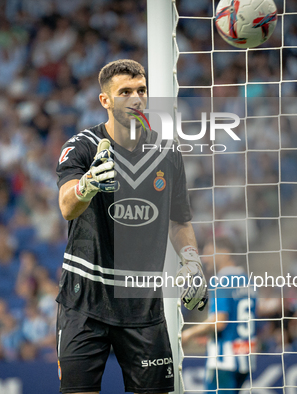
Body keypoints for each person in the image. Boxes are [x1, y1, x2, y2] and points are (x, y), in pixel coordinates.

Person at [55, 59, 208, 394]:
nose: (136, 99)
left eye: (141, 90)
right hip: (86, 299)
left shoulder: (168, 153)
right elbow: (67, 206)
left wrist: (192, 260)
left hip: (142, 300)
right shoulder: (81, 147)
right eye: (125, 92)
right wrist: (88, 183)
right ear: (105, 100)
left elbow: (178, 220)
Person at [181, 238, 256, 393]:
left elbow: (219, 321)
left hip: (224, 360)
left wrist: (188, 333)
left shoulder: (221, 280)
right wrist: (209, 334)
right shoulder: (248, 281)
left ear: (225, 253)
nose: (204, 258)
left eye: (209, 253)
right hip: (245, 357)